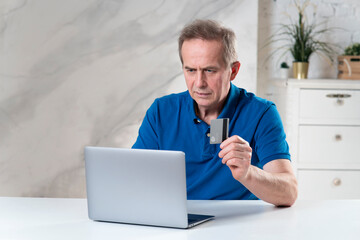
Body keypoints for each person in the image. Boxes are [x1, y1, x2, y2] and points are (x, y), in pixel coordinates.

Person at [132, 19, 298, 206]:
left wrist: (247, 173)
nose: (199, 82)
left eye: (210, 70)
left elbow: (288, 193)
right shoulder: (161, 111)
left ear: (233, 71)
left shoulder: (261, 113)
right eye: (191, 70)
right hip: (177, 222)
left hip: (240, 225)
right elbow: (134, 179)